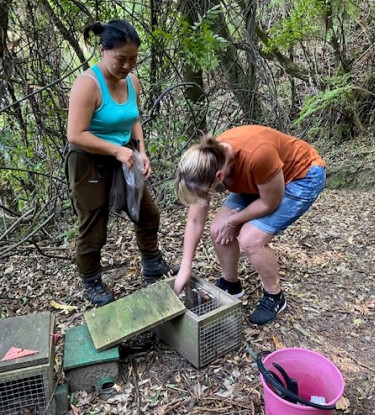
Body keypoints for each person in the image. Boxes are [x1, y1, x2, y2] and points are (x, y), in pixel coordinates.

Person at [66, 19, 176, 307]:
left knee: (147, 212)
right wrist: (116, 151)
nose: (127, 66)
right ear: (102, 50)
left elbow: (134, 118)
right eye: (120, 59)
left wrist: (141, 150)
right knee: (94, 223)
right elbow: (76, 135)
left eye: (133, 59)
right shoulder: (88, 85)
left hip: (125, 153)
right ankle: (92, 281)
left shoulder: (132, 81)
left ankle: (152, 263)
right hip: (89, 159)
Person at [174, 125, 326, 325]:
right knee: (217, 229)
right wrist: (186, 266)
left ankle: (275, 296)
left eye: (206, 193)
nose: (206, 197)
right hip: (261, 180)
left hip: (302, 176)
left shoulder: (257, 155)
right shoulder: (209, 161)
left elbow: (270, 202)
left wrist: (233, 220)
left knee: (250, 239)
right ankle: (231, 285)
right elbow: (194, 220)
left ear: (219, 177)